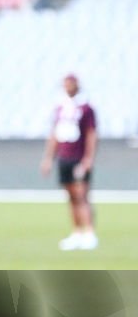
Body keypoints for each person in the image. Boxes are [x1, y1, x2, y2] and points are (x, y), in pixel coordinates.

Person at [40, 73, 98, 250]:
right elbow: (54, 135)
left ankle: (89, 232)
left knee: (82, 195)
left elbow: (91, 134)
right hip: (64, 157)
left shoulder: (85, 108)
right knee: (71, 196)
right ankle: (77, 232)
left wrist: (88, 158)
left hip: (78, 157)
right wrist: (48, 158)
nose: (68, 87)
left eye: (71, 83)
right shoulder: (60, 107)